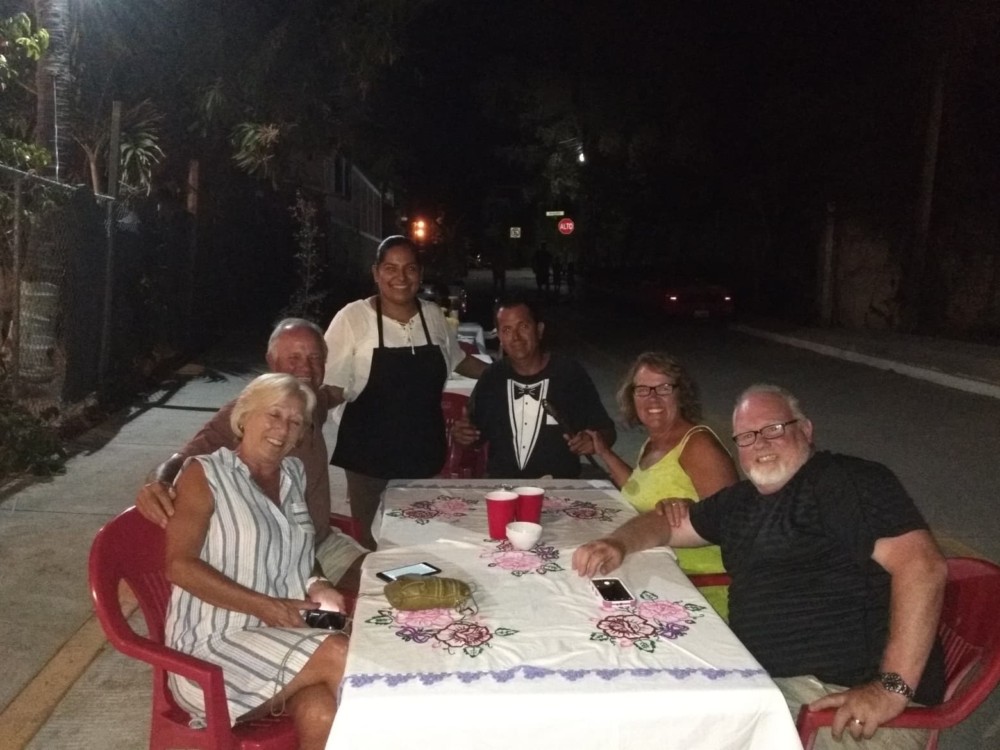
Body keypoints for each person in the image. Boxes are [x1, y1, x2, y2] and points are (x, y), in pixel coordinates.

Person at [573, 384, 947, 750]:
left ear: (805, 429)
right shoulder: (741, 502)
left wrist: (891, 688)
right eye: (747, 437)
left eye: (773, 429)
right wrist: (618, 542)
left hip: (837, 700)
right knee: (634, 699)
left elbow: (923, 566)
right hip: (759, 679)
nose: (761, 444)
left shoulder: (844, 481)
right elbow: (665, 524)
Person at [164, 373, 348, 750]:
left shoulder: (293, 474)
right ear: (244, 417)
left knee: (323, 709)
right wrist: (265, 607)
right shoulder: (205, 474)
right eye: (274, 415)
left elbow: (296, 548)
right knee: (341, 653)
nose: (283, 429)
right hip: (212, 649)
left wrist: (318, 583)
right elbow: (178, 565)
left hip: (284, 632)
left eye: (295, 422)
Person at [135, 318, 367, 590]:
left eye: (315, 358)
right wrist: (158, 483)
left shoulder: (312, 402)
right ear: (272, 361)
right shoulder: (251, 412)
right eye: (293, 358)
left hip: (323, 542)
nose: (306, 367)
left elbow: (339, 391)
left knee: (393, 581)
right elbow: (183, 458)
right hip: (278, 558)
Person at [323, 235, 488, 548]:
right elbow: (332, 386)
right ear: (375, 272)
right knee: (370, 544)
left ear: (420, 274)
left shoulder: (433, 315)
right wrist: (307, 404)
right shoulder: (352, 318)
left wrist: (503, 372)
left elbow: (458, 359)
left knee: (421, 539)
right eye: (390, 268)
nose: (400, 277)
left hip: (423, 455)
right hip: (368, 460)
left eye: (410, 268)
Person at [585, 352, 738, 616]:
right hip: (655, 570)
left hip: (698, 587)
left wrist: (693, 510)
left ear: (681, 393)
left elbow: (735, 521)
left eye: (663, 388)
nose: (652, 398)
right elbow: (636, 489)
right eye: (643, 389)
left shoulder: (698, 445)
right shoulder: (654, 442)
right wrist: (604, 452)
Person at [452, 294, 616, 478]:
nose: (516, 337)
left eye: (523, 326)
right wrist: (463, 435)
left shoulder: (568, 374)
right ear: (499, 337)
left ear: (539, 330)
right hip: (503, 488)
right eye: (506, 330)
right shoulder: (492, 377)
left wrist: (593, 441)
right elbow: (474, 435)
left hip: (559, 488)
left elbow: (607, 430)